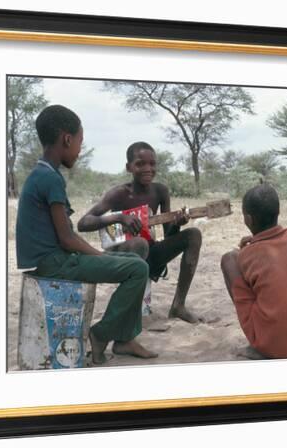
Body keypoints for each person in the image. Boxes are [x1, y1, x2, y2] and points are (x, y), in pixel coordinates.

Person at [16, 105, 157, 364]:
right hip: (55, 262)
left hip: (52, 259)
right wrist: (100, 255)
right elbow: (67, 238)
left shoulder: (41, 174)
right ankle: (103, 334)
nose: (80, 150)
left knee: (136, 264)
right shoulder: (50, 179)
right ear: (67, 139)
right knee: (137, 270)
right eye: (80, 142)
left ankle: (124, 340)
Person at [77, 142, 202, 323]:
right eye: (140, 164)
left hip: (150, 253)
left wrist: (177, 224)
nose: (147, 169)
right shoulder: (119, 194)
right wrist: (119, 218)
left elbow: (169, 236)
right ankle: (130, 314)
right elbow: (83, 223)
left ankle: (178, 305)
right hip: (123, 257)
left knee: (193, 235)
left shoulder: (160, 191)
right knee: (139, 243)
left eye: (152, 164)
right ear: (129, 167)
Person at [220, 183, 287, 358]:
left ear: (248, 220)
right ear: (278, 212)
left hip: (271, 345)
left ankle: (257, 343)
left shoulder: (247, 255)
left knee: (228, 260)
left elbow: (246, 261)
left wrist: (247, 249)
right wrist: (258, 243)